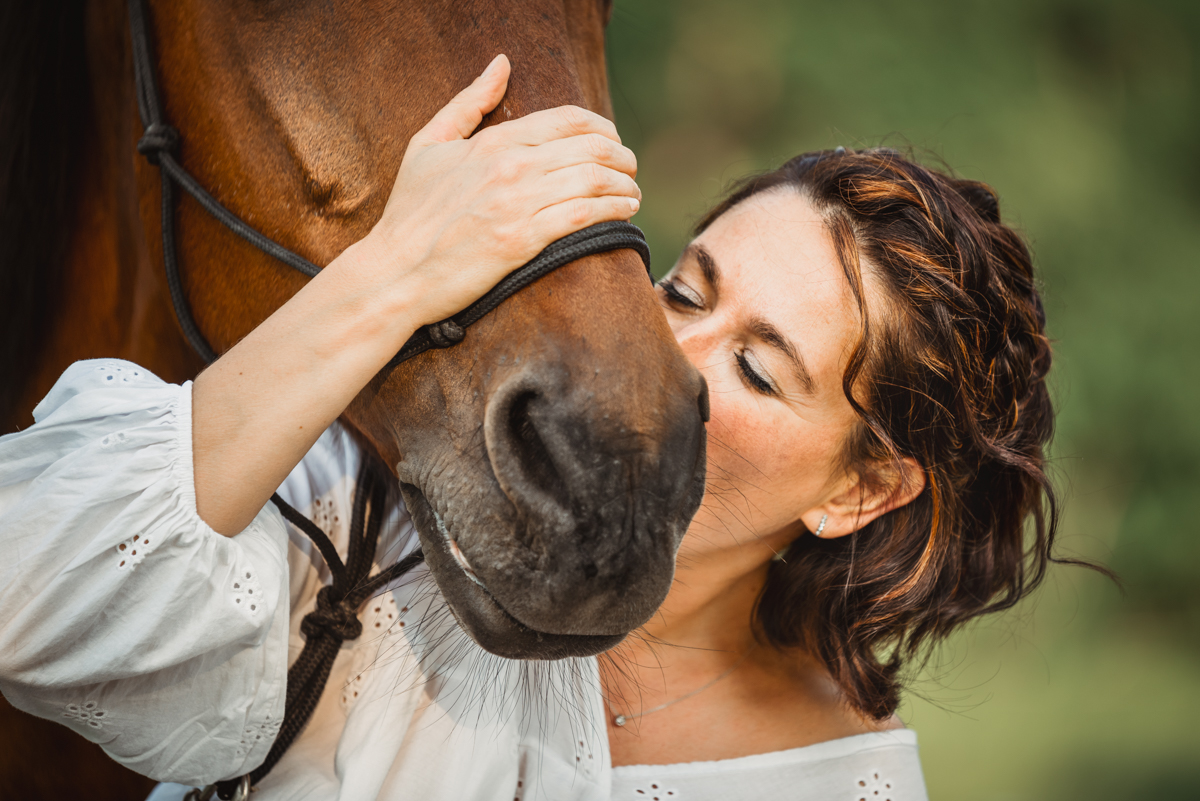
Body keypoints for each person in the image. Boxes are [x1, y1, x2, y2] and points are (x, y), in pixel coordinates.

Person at [0, 52, 1066, 801]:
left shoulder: (850, 789)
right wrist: (392, 279)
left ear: (861, 489)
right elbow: (25, 589)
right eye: (686, 293)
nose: (671, 367)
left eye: (757, 366)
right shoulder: (383, 524)